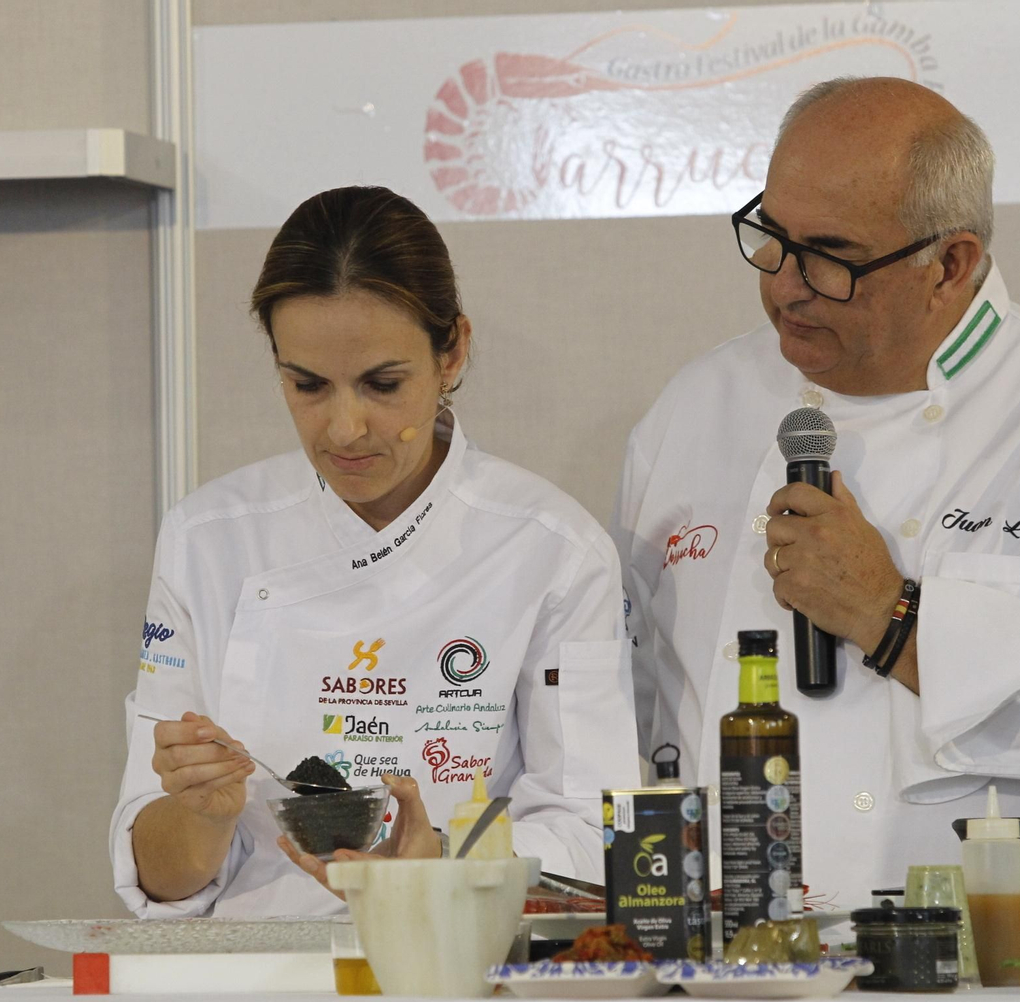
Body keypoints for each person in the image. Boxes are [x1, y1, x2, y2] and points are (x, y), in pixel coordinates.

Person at [612, 77, 1020, 908]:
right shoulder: (695, 408)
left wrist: (896, 618)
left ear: (951, 263)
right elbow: (639, 702)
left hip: (989, 975)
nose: (784, 285)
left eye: (830, 255)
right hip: (733, 972)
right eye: (772, 236)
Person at [111, 186, 638, 918]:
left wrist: (443, 866)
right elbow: (162, 878)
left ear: (452, 350)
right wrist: (202, 813)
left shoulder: (552, 549)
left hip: (457, 974)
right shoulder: (209, 537)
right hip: (251, 992)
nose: (346, 427)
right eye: (308, 385)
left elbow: (595, 839)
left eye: (383, 384)